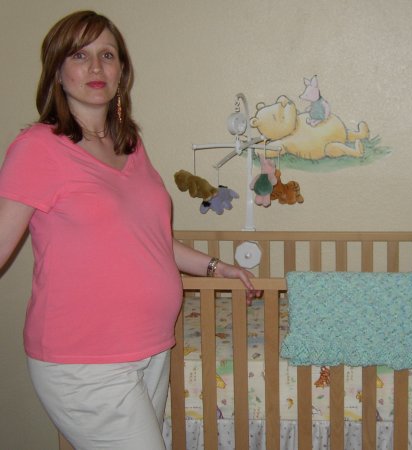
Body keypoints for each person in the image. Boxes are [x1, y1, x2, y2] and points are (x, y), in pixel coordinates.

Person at [0, 10, 260, 450]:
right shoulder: (37, 148)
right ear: (57, 72)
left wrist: (217, 267)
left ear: (122, 72)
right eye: (79, 55)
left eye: (108, 55)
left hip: (150, 347)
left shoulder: (130, 145)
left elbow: (151, 242)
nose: (96, 67)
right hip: (84, 358)